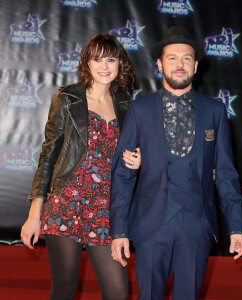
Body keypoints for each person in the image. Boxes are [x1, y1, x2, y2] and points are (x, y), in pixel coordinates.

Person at [109, 26, 242, 300]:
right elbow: (123, 174)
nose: (179, 64)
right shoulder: (139, 109)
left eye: (186, 58)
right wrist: (119, 230)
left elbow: (227, 175)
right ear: (159, 65)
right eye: (172, 58)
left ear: (196, 66)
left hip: (196, 222)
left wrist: (236, 227)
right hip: (150, 222)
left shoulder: (215, 111)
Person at [20, 33, 141, 300]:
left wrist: (137, 161)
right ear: (86, 62)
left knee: (118, 292)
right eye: (97, 58)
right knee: (64, 289)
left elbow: (132, 154)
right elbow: (49, 155)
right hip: (66, 203)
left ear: (120, 64)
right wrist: (34, 213)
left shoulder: (126, 104)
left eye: (111, 59)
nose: (104, 65)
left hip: (106, 209)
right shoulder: (68, 98)